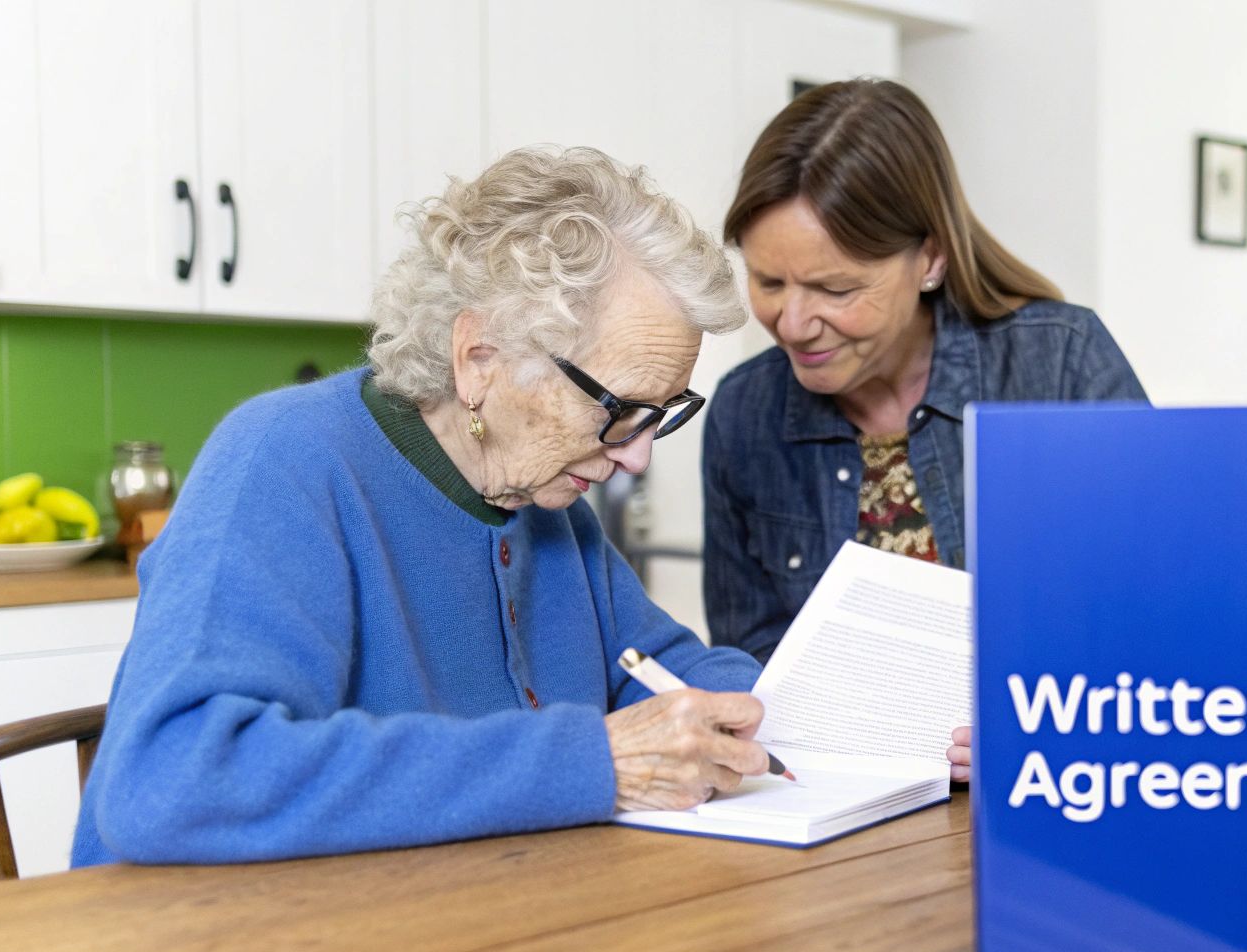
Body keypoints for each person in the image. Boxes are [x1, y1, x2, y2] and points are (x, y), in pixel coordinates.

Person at [73, 147, 779, 866]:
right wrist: (590, 763)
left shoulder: (549, 500)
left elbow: (651, 668)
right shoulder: (286, 458)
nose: (637, 455)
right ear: (479, 358)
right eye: (621, 408)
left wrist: (793, 708)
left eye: (663, 413)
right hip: (217, 951)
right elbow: (177, 778)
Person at [700, 79, 1148, 781]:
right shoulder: (742, 413)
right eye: (768, 281)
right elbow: (752, 656)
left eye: (835, 289)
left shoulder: (1061, 361)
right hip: (837, 802)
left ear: (931, 259)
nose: (792, 323)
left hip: (1054, 789)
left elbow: (1155, 614)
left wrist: (1043, 728)